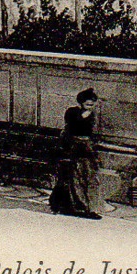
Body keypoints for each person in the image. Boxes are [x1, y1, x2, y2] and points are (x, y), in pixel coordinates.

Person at [49, 88, 104, 219]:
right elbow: (71, 127)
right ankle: (76, 207)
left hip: (86, 150)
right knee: (74, 178)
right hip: (73, 148)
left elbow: (91, 134)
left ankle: (89, 208)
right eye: (88, 104)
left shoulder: (92, 115)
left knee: (89, 177)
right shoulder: (72, 112)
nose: (91, 106)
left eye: (92, 104)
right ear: (81, 102)